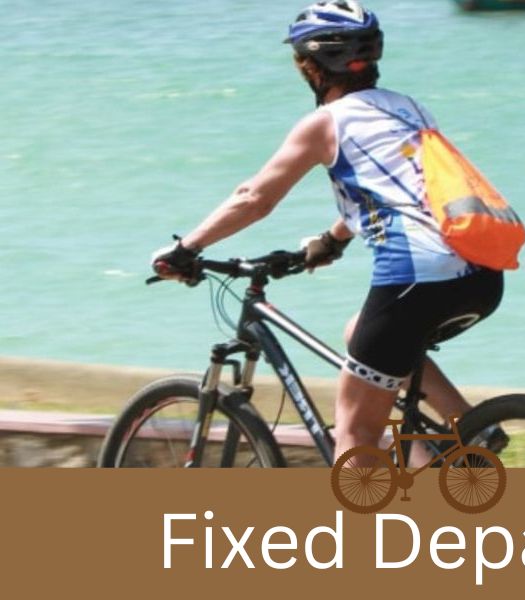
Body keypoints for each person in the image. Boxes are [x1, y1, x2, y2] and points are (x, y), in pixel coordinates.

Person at [151, 0, 505, 465]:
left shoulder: (325, 124)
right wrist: (334, 238)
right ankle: (470, 432)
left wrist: (186, 248)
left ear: (311, 66)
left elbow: (255, 200)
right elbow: (406, 191)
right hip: (482, 272)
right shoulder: (408, 108)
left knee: (355, 433)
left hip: (418, 279)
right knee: (363, 332)